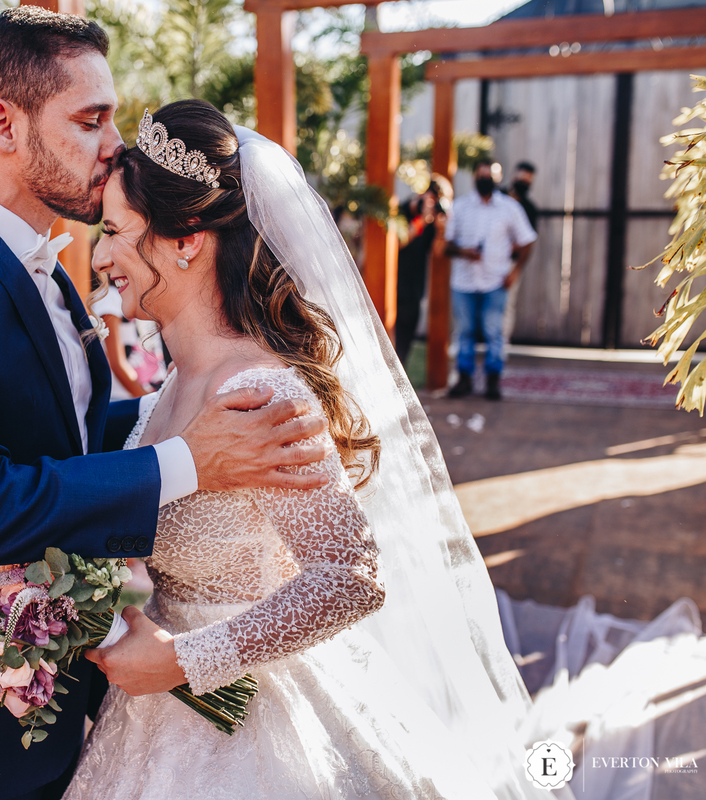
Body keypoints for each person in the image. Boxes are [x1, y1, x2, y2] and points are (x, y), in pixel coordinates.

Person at [0, 9, 331, 799]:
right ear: (2, 123)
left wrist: (184, 413)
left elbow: (63, 432)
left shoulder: (54, 271)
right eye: (90, 119)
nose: (115, 145)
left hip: (87, 692)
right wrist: (187, 460)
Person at [68, 100, 554, 800]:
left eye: (115, 231)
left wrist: (185, 662)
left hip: (262, 727)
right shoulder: (172, 388)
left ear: (186, 240)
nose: (102, 254)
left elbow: (351, 575)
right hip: (157, 715)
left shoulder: (260, 393)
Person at [443, 160, 536, 400]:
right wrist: (466, 252)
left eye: (490, 176)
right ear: (475, 177)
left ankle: (493, 380)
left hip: (496, 281)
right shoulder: (460, 207)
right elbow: (446, 245)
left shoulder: (509, 208)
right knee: (465, 331)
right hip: (464, 282)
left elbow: (527, 240)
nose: (485, 179)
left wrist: (515, 272)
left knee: (494, 331)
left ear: (498, 178)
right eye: (481, 175)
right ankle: (464, 379)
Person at [393, 177, 449, 366]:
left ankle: (402, 374)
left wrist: (441, 230)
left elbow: (437, 253)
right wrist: (420, 221)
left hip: (415, 287)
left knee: (407, 335)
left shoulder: (432, 221)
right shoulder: (402, 210)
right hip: (394, 284)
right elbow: (397, 242)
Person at [502, 161, 537, 344]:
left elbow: (526, 241)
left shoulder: (528, 209)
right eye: (521, 179)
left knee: (507, 305)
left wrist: (515, 270)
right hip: (483, 261)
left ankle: (501, 346)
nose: (523, 183)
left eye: (527, 181)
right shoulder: (497, 198)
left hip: (509, 263)